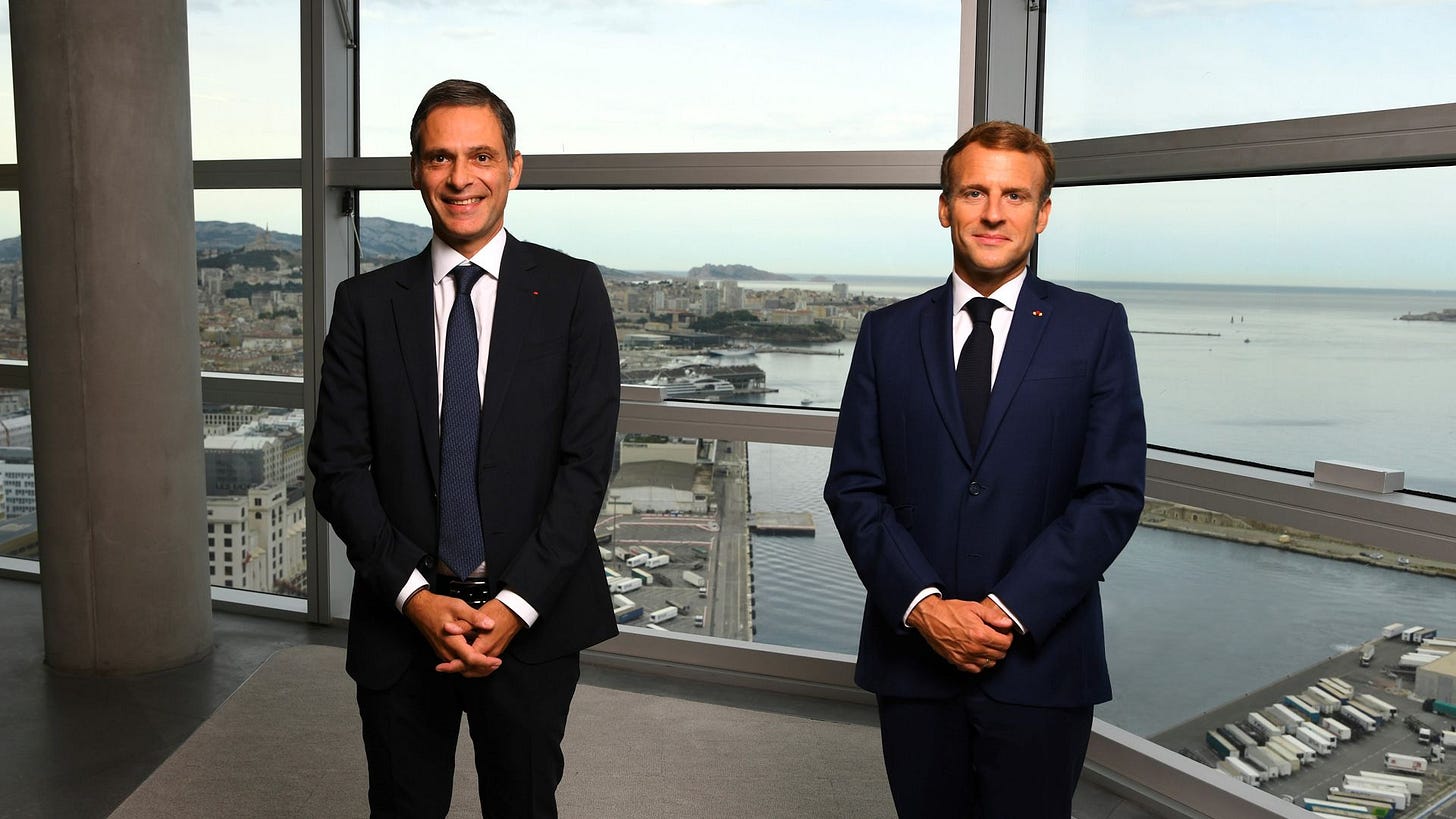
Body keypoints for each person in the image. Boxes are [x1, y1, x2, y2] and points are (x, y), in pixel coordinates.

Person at [308, 79, 620, 817]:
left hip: (531, 620)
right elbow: (338, 468)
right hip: (402, 620)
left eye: (481, 156)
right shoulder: (365, 304)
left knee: (524, 804)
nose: (460, 177)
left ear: (514, 168)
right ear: (416, 171)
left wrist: (515, 604)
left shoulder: (573, 291)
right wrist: (415, 598)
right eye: (439, 157)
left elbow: (585, 469)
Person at [823, 120, 1145, 818]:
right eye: (974, 192)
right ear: (945, 207)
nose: (994, 213)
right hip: (915, 658)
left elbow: (1112, 493)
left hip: (1041, 661)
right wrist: (925, 607)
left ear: (1042, 213)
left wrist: (1005, 612)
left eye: (1014, 196)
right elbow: (854, 486)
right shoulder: (885, 334)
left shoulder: (1096, 329)